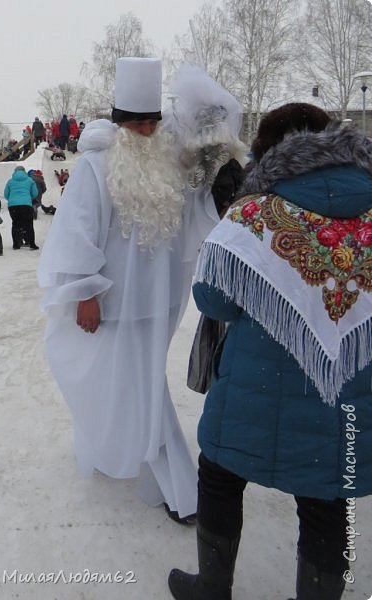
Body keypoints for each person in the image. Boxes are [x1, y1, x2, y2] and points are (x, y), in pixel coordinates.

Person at [168, 103, 372, 599]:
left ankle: (211, 587)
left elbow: (212, 298)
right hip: (347, 387)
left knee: (219, 476)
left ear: (268, 151)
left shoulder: (255, 213)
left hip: (251, 386)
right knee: (328, 497)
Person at [38, 58, 245, 524]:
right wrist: (85, 292)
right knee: (137, 389)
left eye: (152, 121)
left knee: (138, 387)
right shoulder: (95, 165)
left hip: (159, 300)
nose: (146, 131)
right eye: (136, 123)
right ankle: (178, 490)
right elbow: (76, 231)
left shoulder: (169, 160)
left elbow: (192, 217)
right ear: (119, 120)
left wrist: (216, 184)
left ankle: (149, 470)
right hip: (111, 302)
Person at [4, 166, 39, 250]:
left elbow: (6, 195)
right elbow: (35, 193)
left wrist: (13, 200)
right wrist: (28, 199)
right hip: (26, 205)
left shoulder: (10, 181)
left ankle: (16, 244)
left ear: (15, 172)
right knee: (29, 224)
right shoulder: (30, 180)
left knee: (15, 224)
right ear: (24, 171)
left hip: (13, 206)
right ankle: (32, 244)